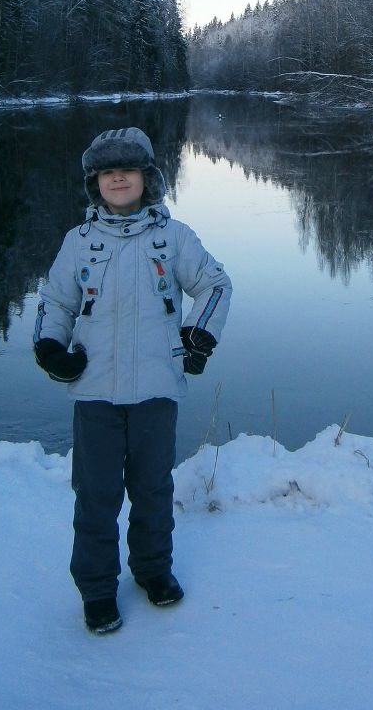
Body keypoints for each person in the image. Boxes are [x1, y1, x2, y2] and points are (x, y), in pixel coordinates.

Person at [33, 126, 231, 634]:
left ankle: (153, 571)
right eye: (106, 170)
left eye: (129, 168)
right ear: (94, 182)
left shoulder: (174, 237)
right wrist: (51, 347)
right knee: (96, 496)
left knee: (153, 489)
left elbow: (214, 285)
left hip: (156, 391)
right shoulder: (77, 243)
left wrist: (199, 335)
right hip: (95, 392)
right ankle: (98, 590)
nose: (118, 177)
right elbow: (56, 302)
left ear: (148, 177)